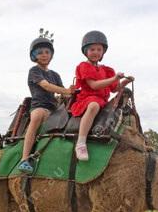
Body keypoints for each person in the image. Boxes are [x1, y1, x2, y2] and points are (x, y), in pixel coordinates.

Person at [73, 30, 134, 161]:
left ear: (103, 51)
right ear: (86, 51)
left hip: (102, 101)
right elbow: (94, 85)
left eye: (99, 49)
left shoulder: (106, 70)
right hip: (88, 99)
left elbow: (114, 89)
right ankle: (81, 143)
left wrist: (124, 82)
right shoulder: (84, 66)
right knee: (94, 106)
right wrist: (114, 78)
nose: (96, 52)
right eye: (92, 49)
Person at [18, 36, 75, 174]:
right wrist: (66, 91)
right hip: (38, 105)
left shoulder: (55, 75)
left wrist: (74, 92)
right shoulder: (34, 71)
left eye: (47, 52)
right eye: (40, 52)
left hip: (53, 108)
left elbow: (63, 93)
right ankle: (24, 158)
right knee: (37, 117)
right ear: (34, 56)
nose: (44, 55)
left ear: (51, 55)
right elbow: (46, 86)